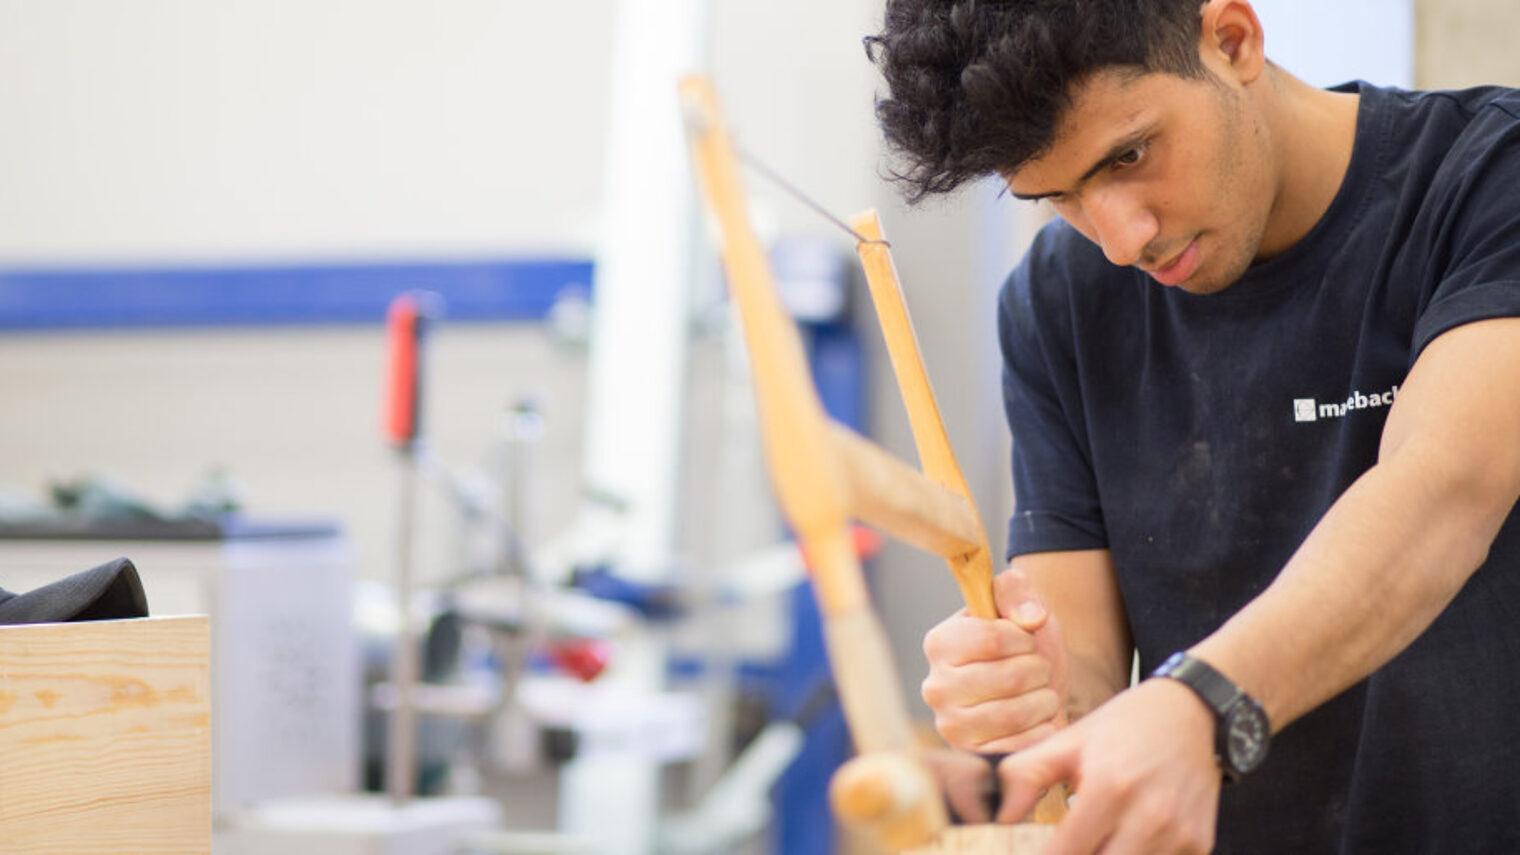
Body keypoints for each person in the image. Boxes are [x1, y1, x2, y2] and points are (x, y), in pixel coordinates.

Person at [865, 1, 1520, 853]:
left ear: (1233, 39)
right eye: (1060, 196)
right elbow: (1086, 673)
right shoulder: (1059, 300)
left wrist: (1199, 703)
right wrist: (1031, 691)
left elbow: (1443, 491)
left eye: (1131, 154)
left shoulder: (1486, 180)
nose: (1121, 238)